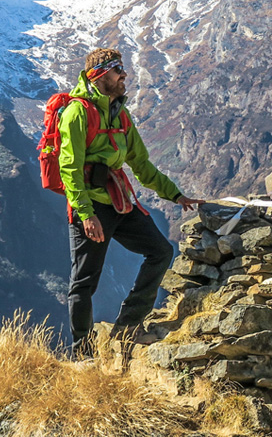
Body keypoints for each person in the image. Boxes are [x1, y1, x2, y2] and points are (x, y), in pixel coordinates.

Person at [59, 47, 202, 358]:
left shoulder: (120, 114)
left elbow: (141, 164)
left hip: (119, 202)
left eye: (122, 70)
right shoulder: (77, 113)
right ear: (98, 76)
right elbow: (69, 169)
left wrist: (175, 195)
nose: (124, 76)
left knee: (161, 251)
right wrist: (85, 215)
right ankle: (82, 353)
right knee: (84, 282)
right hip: (92, 208)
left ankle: (127, 324)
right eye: (116, 71)